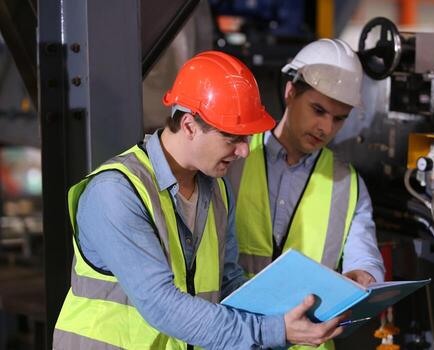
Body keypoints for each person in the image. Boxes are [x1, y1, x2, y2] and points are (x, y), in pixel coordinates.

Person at [53, 51, 349, 350]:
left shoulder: (218, 190)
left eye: (246, 139)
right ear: (190, 126)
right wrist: (272, 330)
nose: (245, 151)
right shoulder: (117, 192)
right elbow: (160, 304)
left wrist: (295, 314)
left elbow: (227, 283)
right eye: (233, 139)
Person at [227, 39, 386, 349]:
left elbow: (366, 258)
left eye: (339, 118)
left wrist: (362, 276)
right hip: (237, 334)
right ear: (290, 92)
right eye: (318, 110)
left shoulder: (347, 183)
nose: (325, 127)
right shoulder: (234, 158)